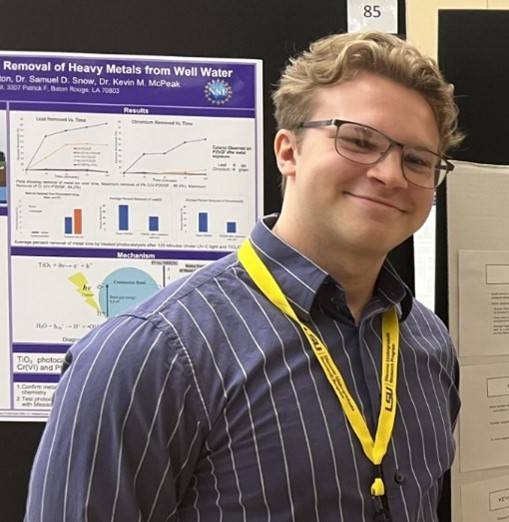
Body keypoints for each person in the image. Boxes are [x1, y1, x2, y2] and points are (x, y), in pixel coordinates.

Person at [25, 31, 462, 522]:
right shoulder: (151, 355)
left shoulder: (428, 345)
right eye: (359, 141)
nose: (390, 174)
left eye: (417, 160)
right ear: (288, 151)